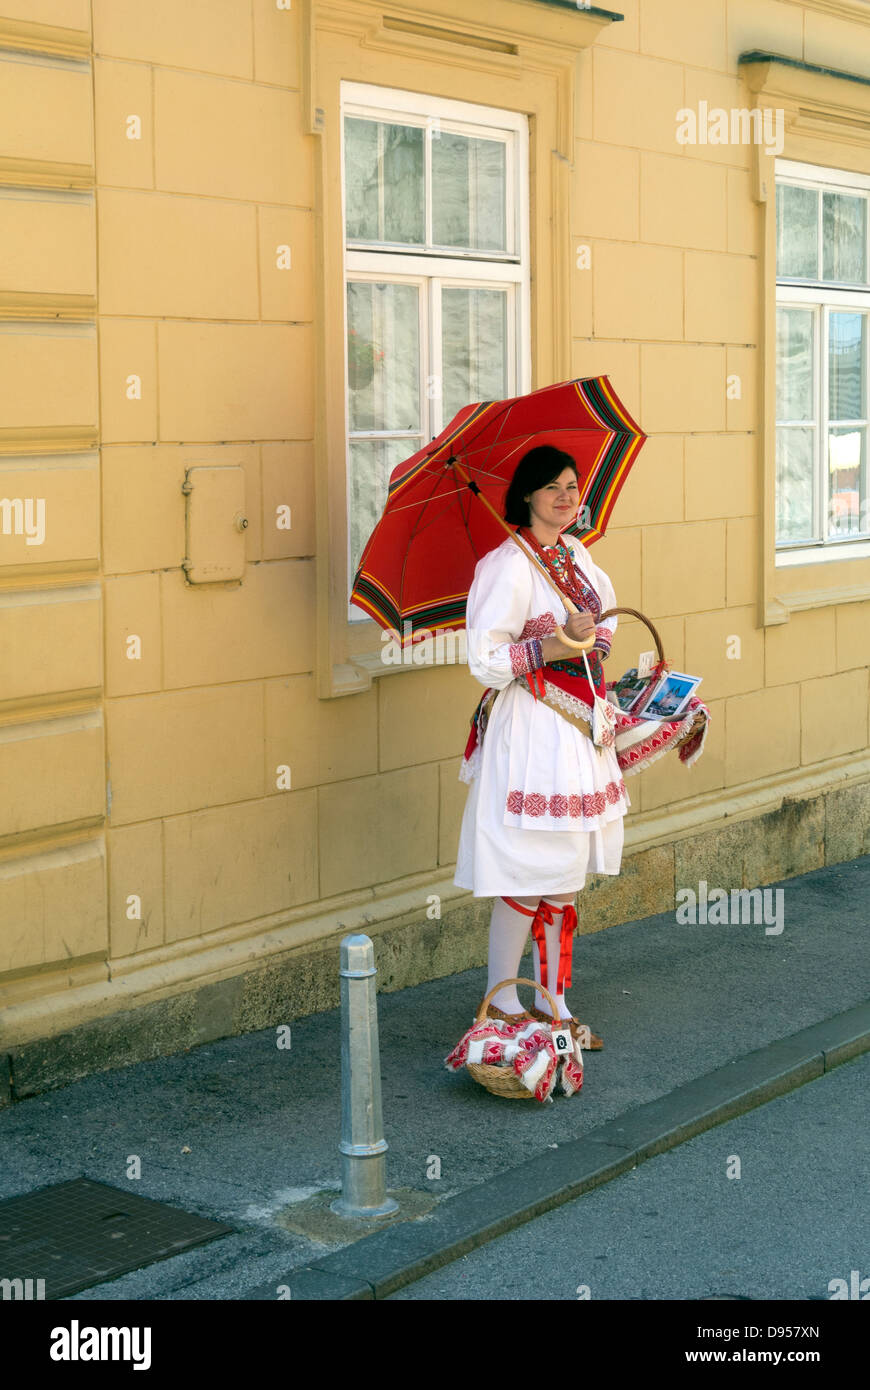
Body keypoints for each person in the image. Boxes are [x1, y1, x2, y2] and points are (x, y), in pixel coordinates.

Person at [453, 445, 630, 1050]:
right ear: (526, 495)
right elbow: (485, 659)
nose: (565, 496)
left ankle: (553, 1000)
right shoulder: (506, 565)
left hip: (578, 726)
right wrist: (557, 645)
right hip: (533, 727)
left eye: (573, 486)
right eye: (551, 486)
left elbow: (605, 617)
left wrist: (592, 638)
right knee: (528, 868)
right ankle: (503, 999)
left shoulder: (574, 554)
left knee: (564, 876)